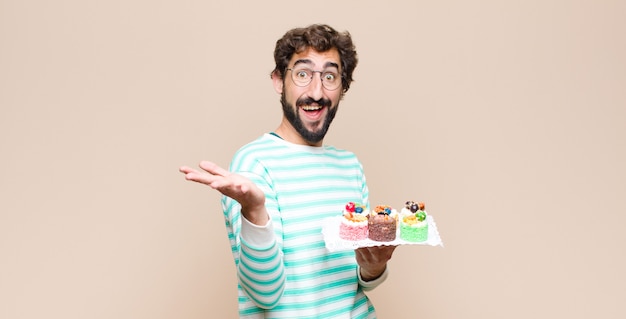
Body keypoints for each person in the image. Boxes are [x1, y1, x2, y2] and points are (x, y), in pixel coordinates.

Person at [179, 24, 396, 318]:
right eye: (303, 74)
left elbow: (355, 279)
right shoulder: (254, 163)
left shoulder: (350, 165)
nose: (316, 92)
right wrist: (255, 212)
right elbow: (265, 294)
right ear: (280, 81)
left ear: (342, 88)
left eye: (329, 77)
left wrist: (373, 267)